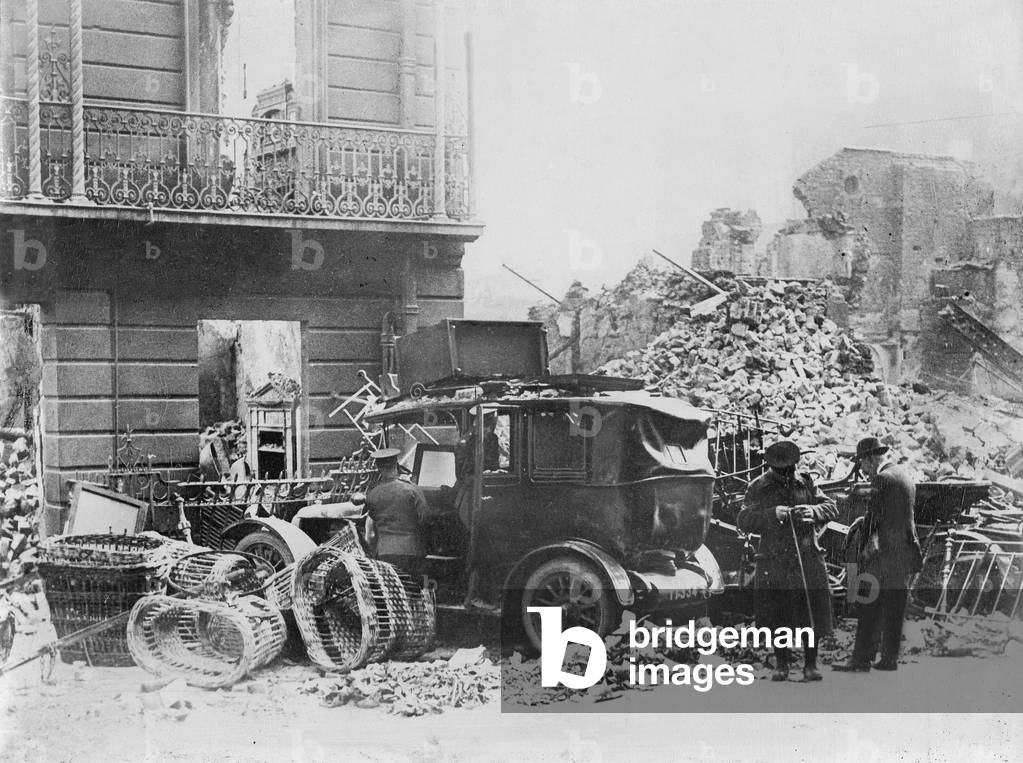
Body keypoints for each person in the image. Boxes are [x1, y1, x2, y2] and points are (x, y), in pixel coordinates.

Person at [737, 439, 838, 682]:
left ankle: (810, 665)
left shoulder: (806, 481)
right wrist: (772, 515)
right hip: (775, 561)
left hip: (807, 557)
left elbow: (831, 507)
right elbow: (743, 520)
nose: (788, 474)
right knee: (778, 615)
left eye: (791, 468)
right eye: (783, 470)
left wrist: (812, 512)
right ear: (772, 467)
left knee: (810, 613)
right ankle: (781, 664)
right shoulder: (758, 487)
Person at [833, 437, 922, 672]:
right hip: (903, 553)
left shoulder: (881, 479)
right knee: (894, 608)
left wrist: (862, 548)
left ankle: (860, 659)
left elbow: (873, 517)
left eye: (862, 462)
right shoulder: (903, 475)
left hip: (882, 554)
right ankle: (889, 659)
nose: (862, 468)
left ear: (871, 459)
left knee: (868, 605)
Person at [363, 447, 431, 579]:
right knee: (413, 592)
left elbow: (370, 534)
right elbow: (426, 519)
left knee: (392, 593)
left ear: (378, 467)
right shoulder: (412, 490)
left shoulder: (372, 494)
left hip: (385, 553)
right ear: (396, 464)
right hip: (413, 551)